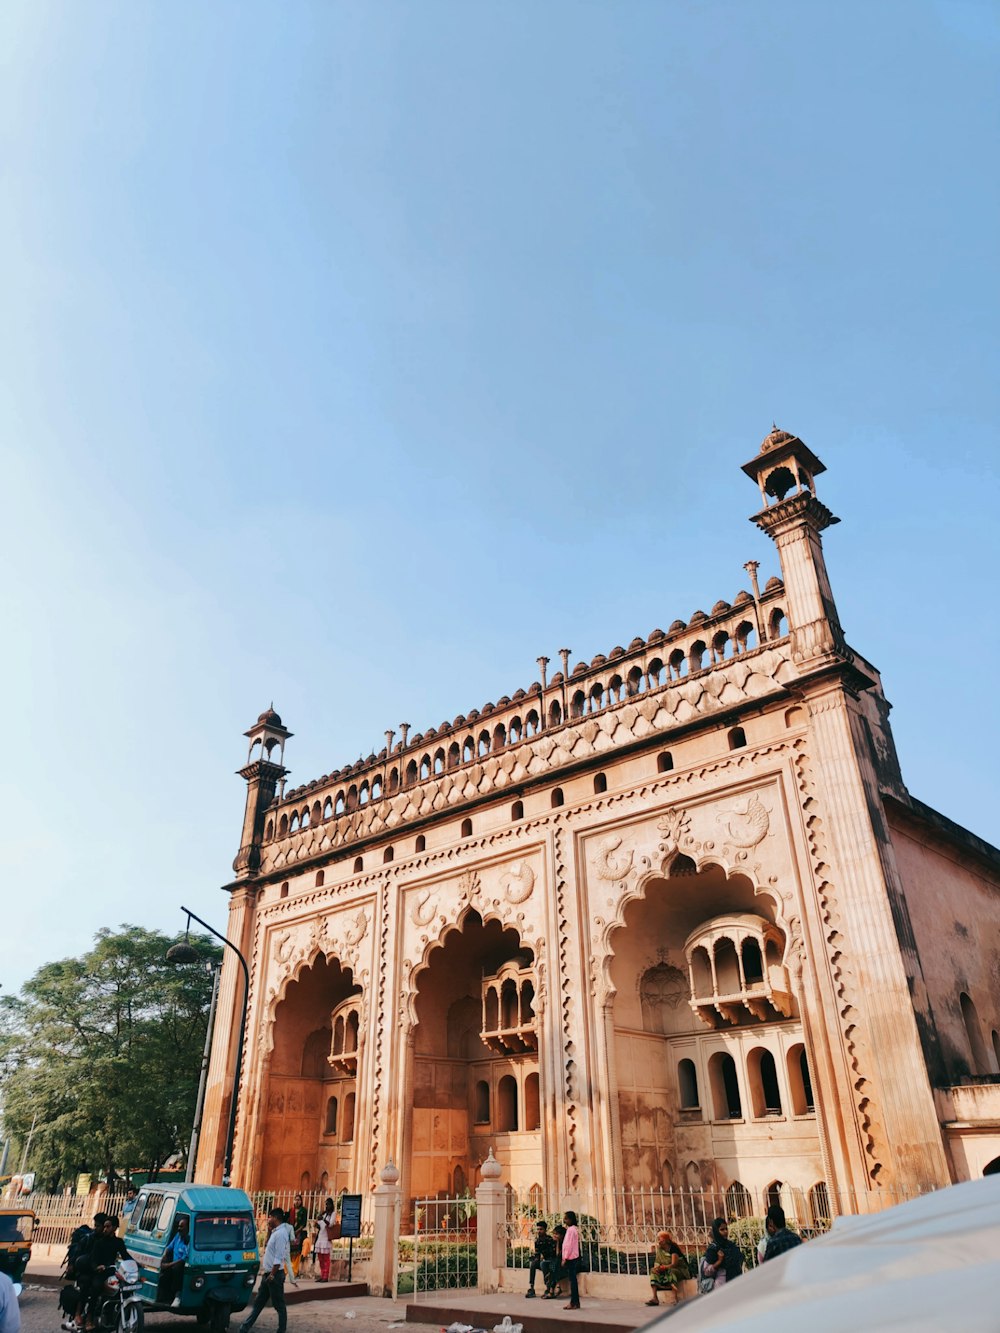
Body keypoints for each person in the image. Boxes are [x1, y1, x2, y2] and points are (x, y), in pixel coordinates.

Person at [239, 1209, 289, 1333]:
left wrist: (272, 1274)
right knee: (259, 1302)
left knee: (279, 1305)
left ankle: (281, 1330)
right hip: (268, 1273)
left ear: (276, 1218)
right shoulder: (275, 1232)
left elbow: (279, 1256)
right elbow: (268, 1246)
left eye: (270, 1217)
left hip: (274, 1275)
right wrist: (268, 1231)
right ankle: (245, 1327)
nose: (268, 1219)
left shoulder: (281, 1234)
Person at [77, 1216, 131, 1329]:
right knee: (96, 1287)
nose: (105, 1229)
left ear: (115, 1228)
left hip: (111, 1271)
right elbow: (93, 1259)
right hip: (100, 1272)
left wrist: (136, 1264)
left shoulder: (118, 1242)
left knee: (124, 1286)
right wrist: (97, 1267)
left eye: (108, 1226)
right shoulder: (99, 1242)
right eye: (105, 1226)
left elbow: (125, 1256)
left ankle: (111, 1313)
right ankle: (90, 1317)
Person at [646, 1229, 687, 1306]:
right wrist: (656, 1268)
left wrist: (663, 1267)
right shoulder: (660, 1249)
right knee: (653, 1273)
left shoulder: (673, 1248)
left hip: (679, 1269)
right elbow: (657, 1262)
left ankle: (676, 1298)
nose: (658, 1241)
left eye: (660, 1239)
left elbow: (674, 1264)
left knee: (671, 1272)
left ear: (665, 1240)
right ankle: (655, 1298)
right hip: (665, 1268)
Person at [701, 1218, 743, 1290]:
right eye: (722, 1230)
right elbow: (706, 1272)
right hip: (722, 1286)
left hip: (736, 1282)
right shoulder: (713, 1249)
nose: (725, 1232)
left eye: (726, 1229)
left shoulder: (731, 1245)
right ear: (716, 1231)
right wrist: (719, 1262)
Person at [159, 1215, 190, 1308]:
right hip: (172, 1264)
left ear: (188, 1228)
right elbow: (169, 1247)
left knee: (177, 1269)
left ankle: (178, 1296)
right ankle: (164, 1296)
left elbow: (184, 1259)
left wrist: (168, 1265)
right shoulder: (177, 1236)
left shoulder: (189, 1240)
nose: (179, 1229)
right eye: (179, 1226)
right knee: (163, 1273)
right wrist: (164, 1256)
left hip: (181, 1266)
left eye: (181, 1226)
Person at [524, 1220, 556, 1297]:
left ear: (545, 1230)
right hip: (543, 1261)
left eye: (541, 1229)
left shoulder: (549, 1240)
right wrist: (535, 1259)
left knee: (543, 1264)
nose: (539, 1231)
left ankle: (548, 1288)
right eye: (538, 1229)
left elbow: (553, 1254)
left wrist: (543, 1259)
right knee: (533, 1264)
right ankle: (531, 1288)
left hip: (550, 1261)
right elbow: (537, 1253)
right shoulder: (537, 1241)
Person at [560, 1210, 581, 1311]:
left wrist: (565, 1258)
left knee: (572, 1281)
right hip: (572, 1257)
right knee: (572, 1281)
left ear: (571, 1219)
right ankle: (575, 1302)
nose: (565, 1220)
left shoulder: (571, 1230)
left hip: (571, 1258)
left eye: (566, 1218)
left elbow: (568, 1246)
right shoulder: (572, 1229)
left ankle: (574, 1302)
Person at [314, 1199, 335, 1282]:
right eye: (326, 1204)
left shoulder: (333, 1214)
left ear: (331, 1205)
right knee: (321, 1259)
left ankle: (326, 1276)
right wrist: (317, 1222)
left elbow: (330, 1224)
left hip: (326, 1239)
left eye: (328, 1204)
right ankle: (322, 1275)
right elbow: (319, 1225)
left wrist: (323, 1219)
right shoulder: (324, 1214)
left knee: (326, 1259)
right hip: (320, 1238)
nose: (327, 1206)